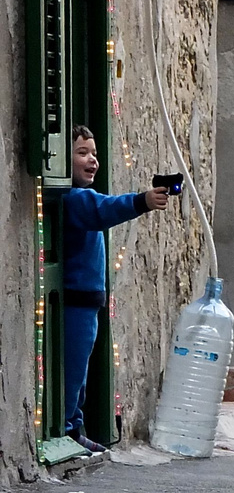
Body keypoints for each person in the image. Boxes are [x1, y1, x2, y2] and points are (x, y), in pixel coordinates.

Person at [62, 125, 171, 453]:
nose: (92, 160)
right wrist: (143, 201)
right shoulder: (74, 199)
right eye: (82, 153)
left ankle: (74, 426)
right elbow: (104, 209)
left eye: (94, 153)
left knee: (79, 376)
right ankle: (66, 429)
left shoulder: (80, 197)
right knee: (71, 373)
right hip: (74, 303)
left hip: (87, 303)